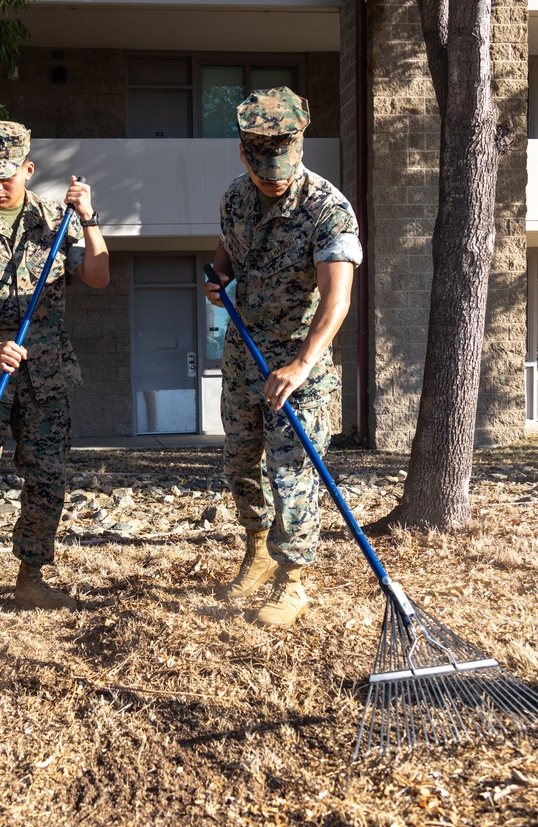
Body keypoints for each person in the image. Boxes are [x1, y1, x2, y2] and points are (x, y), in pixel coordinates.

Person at [0, 120, 110, 630]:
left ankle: (30, 576)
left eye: (7, 176)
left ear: (28, 170)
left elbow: (97, 276)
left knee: (48, 473)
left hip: (46, 364)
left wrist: (89, 218)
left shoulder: (58, 220)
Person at [205, 87, 362, 628]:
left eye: (283, 170)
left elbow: (337, 298)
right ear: (244, 155)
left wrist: (300, 365)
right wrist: (220, 277)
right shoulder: (233, 199)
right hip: (243, 354)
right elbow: (227, 249)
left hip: (300, 360)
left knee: (292, 469)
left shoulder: (328, 208)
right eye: (263, 170)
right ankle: (256, 549)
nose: (274, 179)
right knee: (239, 461)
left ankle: (292, 578)